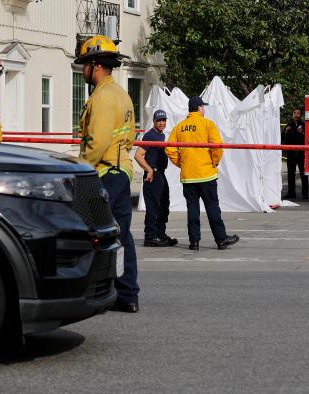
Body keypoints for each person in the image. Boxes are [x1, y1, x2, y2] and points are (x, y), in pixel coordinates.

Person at [75, 35, 139, 313]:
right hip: (122, 169)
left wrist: (79, 169)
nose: (82, 70)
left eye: (84, 65)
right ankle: (127, 294)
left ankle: (88, 290)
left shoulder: (100, 97)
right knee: (122, 233)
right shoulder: (122, 95)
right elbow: (129, 136)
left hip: (104, 173)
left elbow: (97, 142)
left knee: (90, 233)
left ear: (95, 66)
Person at [165, 96, 239, 251]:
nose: (204, 110)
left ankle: (194, 242)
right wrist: (214, 162)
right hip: (206, 174)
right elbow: (217, 146)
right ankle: (221, 239)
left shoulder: (180, 127)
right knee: (212, 208)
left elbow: (170, 149)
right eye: (203, 107)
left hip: (188, 176)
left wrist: (181, 163)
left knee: (192, 210)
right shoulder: (207, 124)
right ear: (199, 108)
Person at [135, 110, 178, 248]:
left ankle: (160, 234)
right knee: (153, 207)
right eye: (159, 120)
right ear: (154, 121)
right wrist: (148, 169)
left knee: (164, 205)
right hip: (152, 175)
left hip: (160, 174)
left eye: (163, 120)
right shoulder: (150, 135)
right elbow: (138, 155)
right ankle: (150, 237)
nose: (161, 123)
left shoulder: (161, 135)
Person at [282, 108, 308, 200]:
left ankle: (305, 193)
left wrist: (302, 132)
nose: (296, 114)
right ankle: (291, 193)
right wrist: (286, 131)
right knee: (291, 174)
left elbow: (307, 138)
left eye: (298, 113)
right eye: (294, 113)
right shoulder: (289, 125)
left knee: (303, 174)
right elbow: (283, 138)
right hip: (291, 153)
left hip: (301, 152)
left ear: (301, 115)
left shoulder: (304, 125)